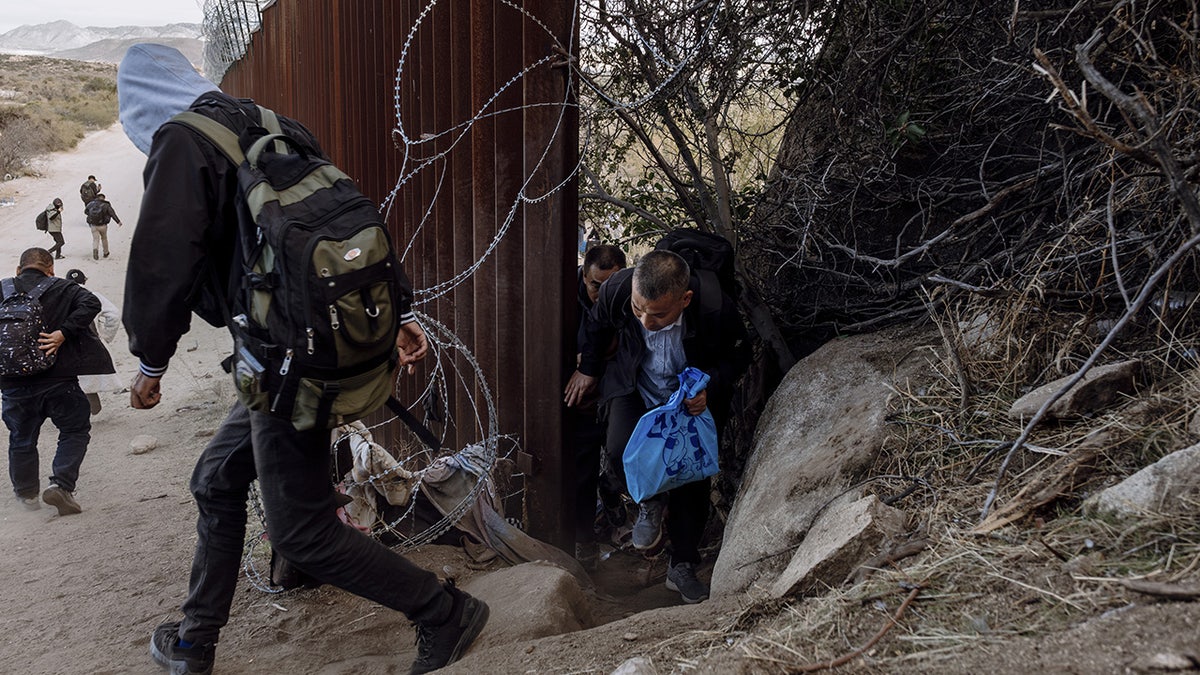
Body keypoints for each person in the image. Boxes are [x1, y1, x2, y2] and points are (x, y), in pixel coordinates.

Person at [117, 43, 488, 675]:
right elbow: (345, 222)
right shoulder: (269, 122)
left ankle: (444, 612)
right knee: (216, 479)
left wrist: (151, 363)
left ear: (141, 106)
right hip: (313, 345)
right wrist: (397, 312)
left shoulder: (183, 142)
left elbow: (161, 263)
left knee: (303, 531)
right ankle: (195, 641)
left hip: (286, 363)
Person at [564, 249, 750, 604]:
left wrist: (709, 387)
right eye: (638, 310)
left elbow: (739, 356)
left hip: (688, 397)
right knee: (619, 449)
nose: (646, 322)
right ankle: (649, 500)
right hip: (635, 384)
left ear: (685, 299)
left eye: (659, 314)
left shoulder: (714, 308)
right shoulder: (618, 289)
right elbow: (597, 326)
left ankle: (681, 564)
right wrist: (588, 368)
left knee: (690, 477)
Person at [1, 248, 112, 515]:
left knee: (21, 438)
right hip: (58, 378)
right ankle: (61, 484)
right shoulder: (64, 288)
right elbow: (92, 304)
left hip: (13, 383)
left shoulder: (3, 289)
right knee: (74, 430)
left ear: (19, 270)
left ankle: (27, 496)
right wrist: (63, 332)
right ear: (50, 269)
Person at [565, 243, 626, 568]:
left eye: (610, 286)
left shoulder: (629, 297)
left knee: (623, 451)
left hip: (617, 387)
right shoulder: (562, 297)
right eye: (595, 286)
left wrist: (592, 365)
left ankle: (614, 489)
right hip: (581, 398)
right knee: (582, 468)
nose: (601, 294)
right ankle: (584, 540)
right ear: (583, 276)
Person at [63, 269, 121, 414]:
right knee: (88, 379)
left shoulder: (60, 297)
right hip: (91, 343)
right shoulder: (93, 296)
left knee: (71, 379)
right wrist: (106, 336)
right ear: (85, 281)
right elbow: (114, 315)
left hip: (65, 343)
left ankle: (76, 410)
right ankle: (90, 408)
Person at [83, 193, 123, 260]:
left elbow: (86, 212)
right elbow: (112, 213)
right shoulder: (106, 205)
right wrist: (118, 221)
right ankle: (106, 252)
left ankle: (95, 249)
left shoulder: (91, 204)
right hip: (103, 225)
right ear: (104, 198)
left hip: (93, 225)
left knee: (95, 239)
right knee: (104, 238)